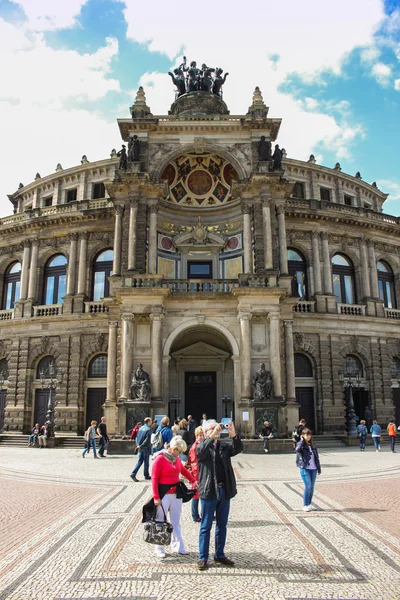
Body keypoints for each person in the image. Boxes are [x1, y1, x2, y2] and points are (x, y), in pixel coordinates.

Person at [196, 420, 244, 571]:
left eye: (215, 428)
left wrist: (234, 435)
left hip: (224, 490)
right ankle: (202, 557)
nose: (215, 430)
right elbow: (201, 452)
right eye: (211, 429)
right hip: (209, 491)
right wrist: (211, 438)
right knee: (206, 526)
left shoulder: (223, 447)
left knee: (222, 525)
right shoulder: (201, 447)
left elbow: (238, 449)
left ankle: (219, 554)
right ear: (205, 433)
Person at [152, 436, 198, 559]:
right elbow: (154, 479)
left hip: (175, 494)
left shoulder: (176, 460)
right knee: (160, 521)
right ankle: (159, 547)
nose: (180, 454)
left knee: (176, 521)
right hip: (164, 494)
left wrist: (193, 480)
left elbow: (183, 470)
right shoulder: (160, 459)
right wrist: (156, 497)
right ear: (174, 448)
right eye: (179, 451)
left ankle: (178, 546)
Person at [295, 428, 321, 512]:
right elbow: (297, 450)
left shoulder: (312, 445)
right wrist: (302, 441)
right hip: (305, 468)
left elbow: (316, 457)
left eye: (309, 434)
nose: (308, 436)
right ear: (303, 435)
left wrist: (319, 468)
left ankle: (309, 504)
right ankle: (305, 505)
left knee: (312, 487)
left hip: (313, 468)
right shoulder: (301, 444)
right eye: (306, 435)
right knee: (308, 486)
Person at [186, 425, 205, 522]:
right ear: (196, 436)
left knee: (202, 495)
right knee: (196, 495)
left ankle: (204, 513)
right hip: (197, 474)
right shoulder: (194, 447)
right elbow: (194, 463)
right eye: (199, 435)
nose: (201, 437)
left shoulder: (202, 445)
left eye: (202, 435)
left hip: (201, 473)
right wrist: (196, 477)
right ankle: (195, 515)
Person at [131, 417, 152, 482]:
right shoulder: (148, 429)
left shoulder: (141, 428)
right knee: (146, 462)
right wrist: (142, 445)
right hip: (145, 448)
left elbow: (137, 437)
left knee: (140, 461)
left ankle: (133, 473)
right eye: (150, 421)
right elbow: (147, 440)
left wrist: (138, 445)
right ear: (148, 422)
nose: (151, 422)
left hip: (139, 447)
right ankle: (146, 475)